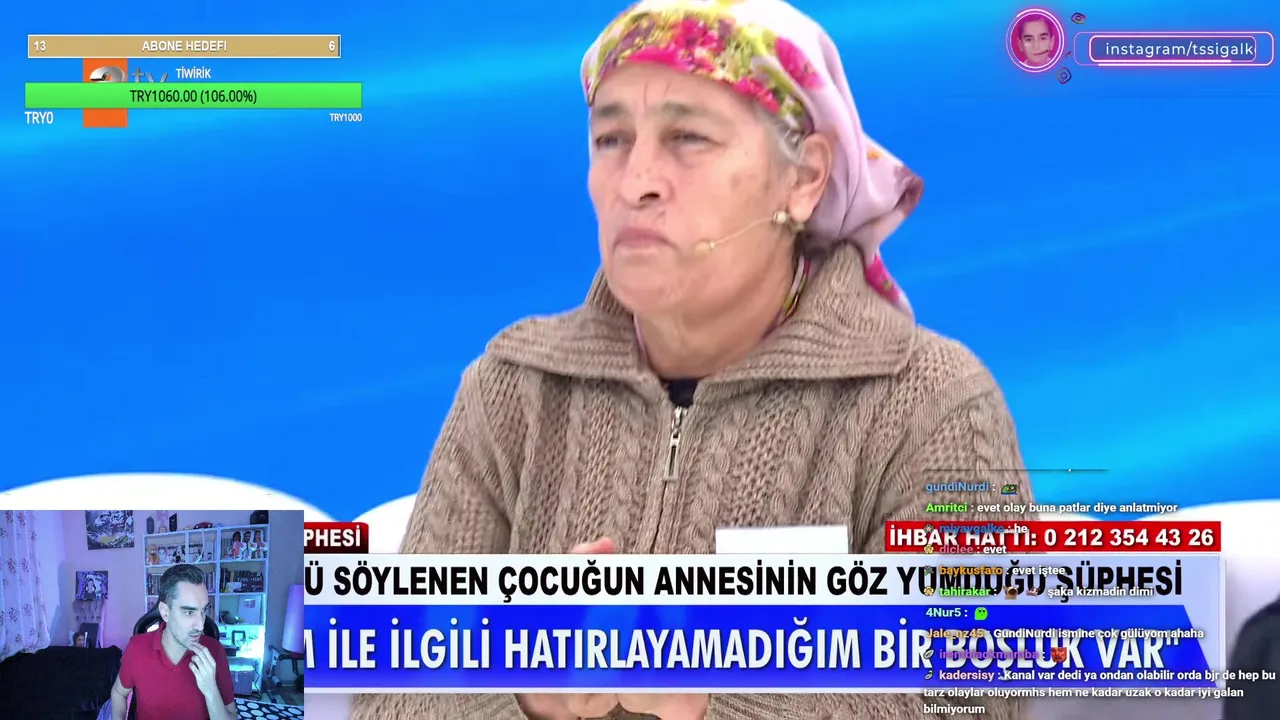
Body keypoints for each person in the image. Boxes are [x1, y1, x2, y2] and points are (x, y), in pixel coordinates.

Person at [352, 0, 1035, 717]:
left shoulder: (930, 401)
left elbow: (974, 701)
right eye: (611, 139)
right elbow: (384, 697)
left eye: (688, 138)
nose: (635, 181)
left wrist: (713, 689)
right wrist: (523, 686)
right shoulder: (513, 389)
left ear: (804, 178)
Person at [111, 564, 235, 720]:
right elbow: (118, 692)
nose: (201, 625)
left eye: (203, 610)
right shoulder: (137, 648)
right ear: (165, 612)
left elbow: (232, 715)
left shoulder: (214, 651)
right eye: (189, 612)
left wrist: (211, 691)